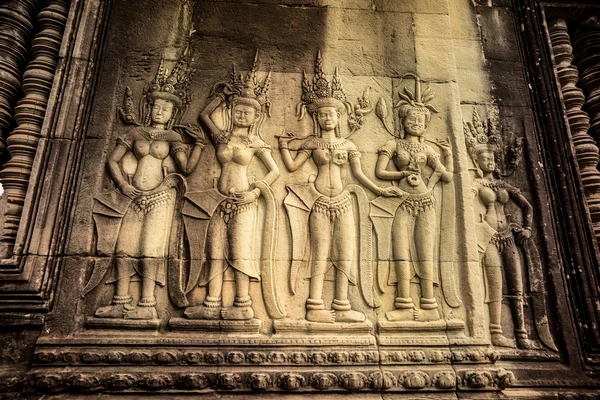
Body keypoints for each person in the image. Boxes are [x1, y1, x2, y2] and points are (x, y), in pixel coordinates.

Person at [279, 53, 402, 323]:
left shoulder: (349, 145)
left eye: (332, 114)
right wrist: (282, 145)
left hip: (344, 201)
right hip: (319, 201)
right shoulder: (312, 143)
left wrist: (381, 191)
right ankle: (314, 305)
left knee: (345, 253)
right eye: (322, 114)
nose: (327, 118)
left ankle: (342, 304)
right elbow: (290, 166)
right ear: (317, 118)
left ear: (339, 115)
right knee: (320, 252)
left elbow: (358, 175)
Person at [91, 50, 203, 320]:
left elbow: (186, 169)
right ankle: (120, 301)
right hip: (132, 195)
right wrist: (123, 186)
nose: (160, 111)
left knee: (151, 249)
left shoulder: (173, 136)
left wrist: (198, 145)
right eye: (156, 106)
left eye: (166, 107)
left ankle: (148, 304)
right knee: (124, 248)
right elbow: (113, 161)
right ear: (148, 107)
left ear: (174, 112)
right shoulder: (135, 133)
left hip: (161, 197)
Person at [184, 57, 280, 320]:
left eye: (247, 112)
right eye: (238, 109)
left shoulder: (255, 142)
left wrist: (255, 192)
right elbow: (204, 116)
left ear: (255, 116)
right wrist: (221, 97)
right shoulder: (222, 137)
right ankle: (212, 302)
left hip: (244, 202)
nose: (242, 114)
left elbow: (274, 171)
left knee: (240, 252)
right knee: (213, 251)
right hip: (218, 200)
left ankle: (242, 304)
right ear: (232, 110)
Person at [374, 75, 453, 322]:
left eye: (420, 119)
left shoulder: (429, 149)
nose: (416, 122)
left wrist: (448, 156)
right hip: (402, 201)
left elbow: (447, 176)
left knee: (425, 252)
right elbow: (379, 172)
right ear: (403, 121)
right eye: (411, 119)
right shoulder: (393, 144)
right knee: (401, 251)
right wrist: (402, 173)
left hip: (426, 202)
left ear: (426, 123)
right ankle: (404, 304)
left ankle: (429, 305)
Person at [465, 110, 538, 348]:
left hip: (508, 234)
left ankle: (521, 332)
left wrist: (527, 228)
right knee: (495, 282)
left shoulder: (502, 184)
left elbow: (526, 205)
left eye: (492, 159)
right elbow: (466, 200)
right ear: (477, 161)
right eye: (485, 159)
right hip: (489, 235)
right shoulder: (476, 183)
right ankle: (496, 331)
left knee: (515, 281)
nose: (490, 162)